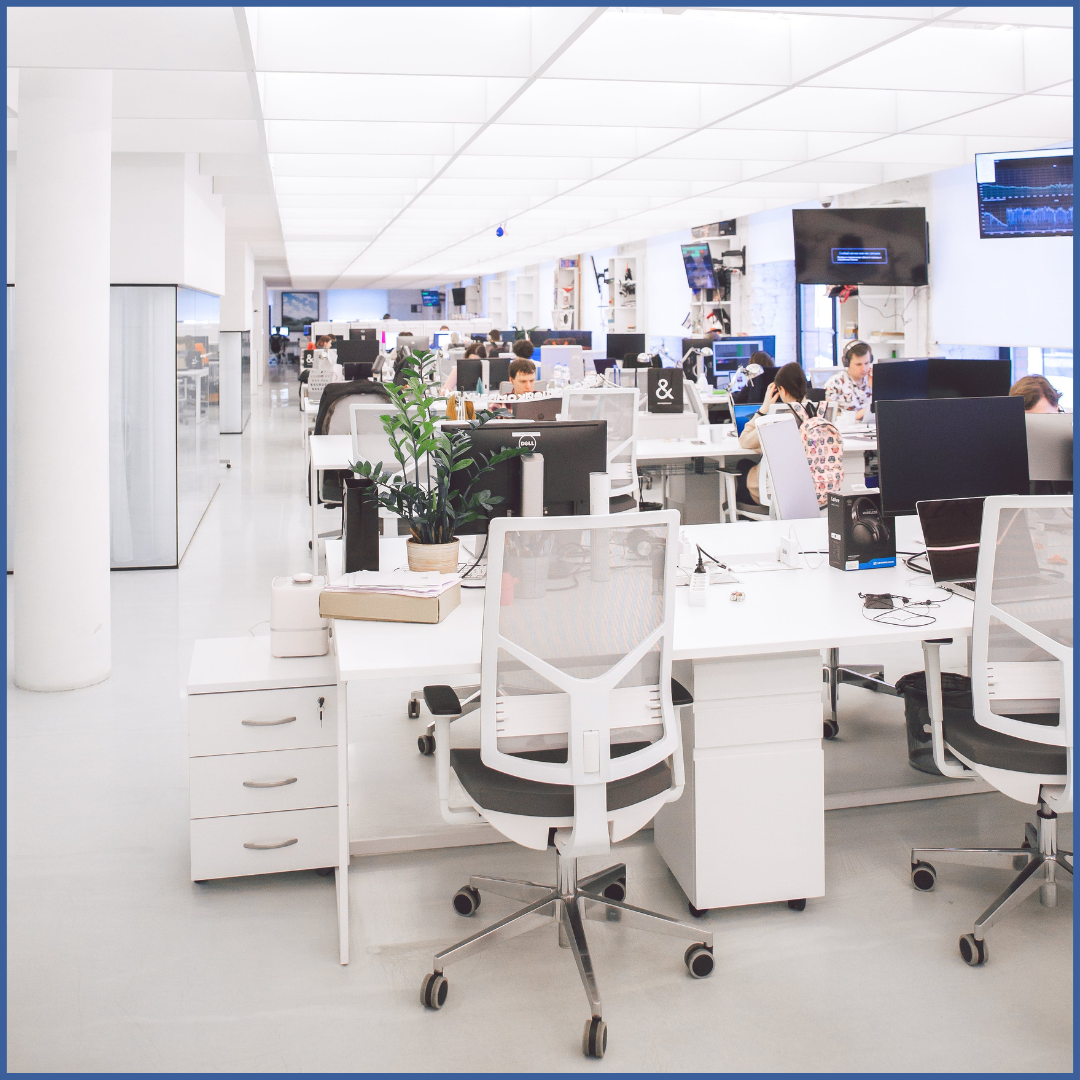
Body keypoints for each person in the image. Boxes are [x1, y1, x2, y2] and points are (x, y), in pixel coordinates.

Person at [735, 363, 815, 506]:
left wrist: (764, 408)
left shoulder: (777, 418)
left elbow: (744, 440)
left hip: (775, 492)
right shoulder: (817, 413)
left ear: (782, 390)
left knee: (742, 464)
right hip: (809, 490)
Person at [824, 341, 873, 420]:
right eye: (858, 364)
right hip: (846, 429)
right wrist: (856, 416)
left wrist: (876, 388)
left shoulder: (872, 379)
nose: (864, 368)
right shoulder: (835, 383)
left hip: (872, 429)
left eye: (867, 363)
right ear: (847, 363)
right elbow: (825, 413)